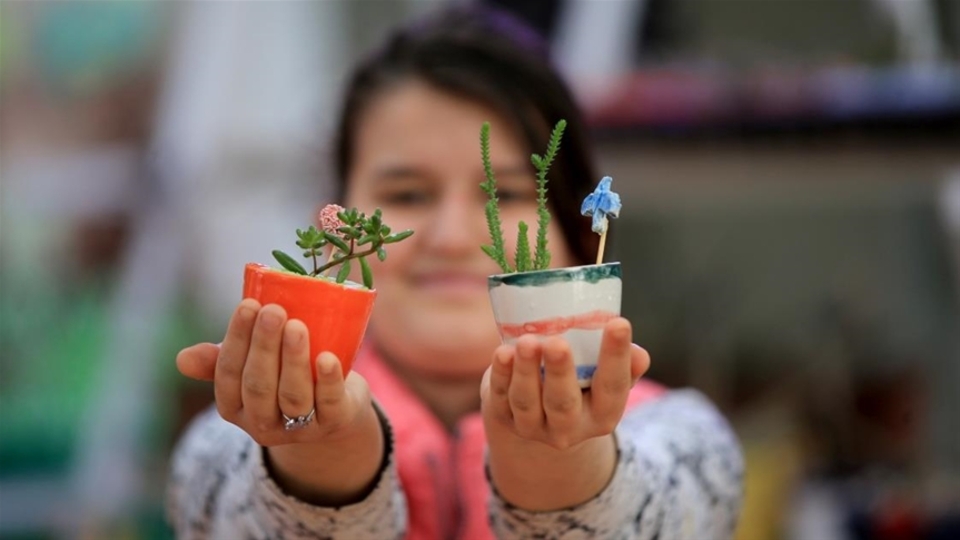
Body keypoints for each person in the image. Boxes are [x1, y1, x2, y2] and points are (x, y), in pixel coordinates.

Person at [167, 5, 744, 539]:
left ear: (576, 225)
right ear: (334, 219)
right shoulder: (235, 443)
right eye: (408, 193)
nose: (452, 237)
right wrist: (321, 460)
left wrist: (560, 463)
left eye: (507, 194)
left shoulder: (686, 441)